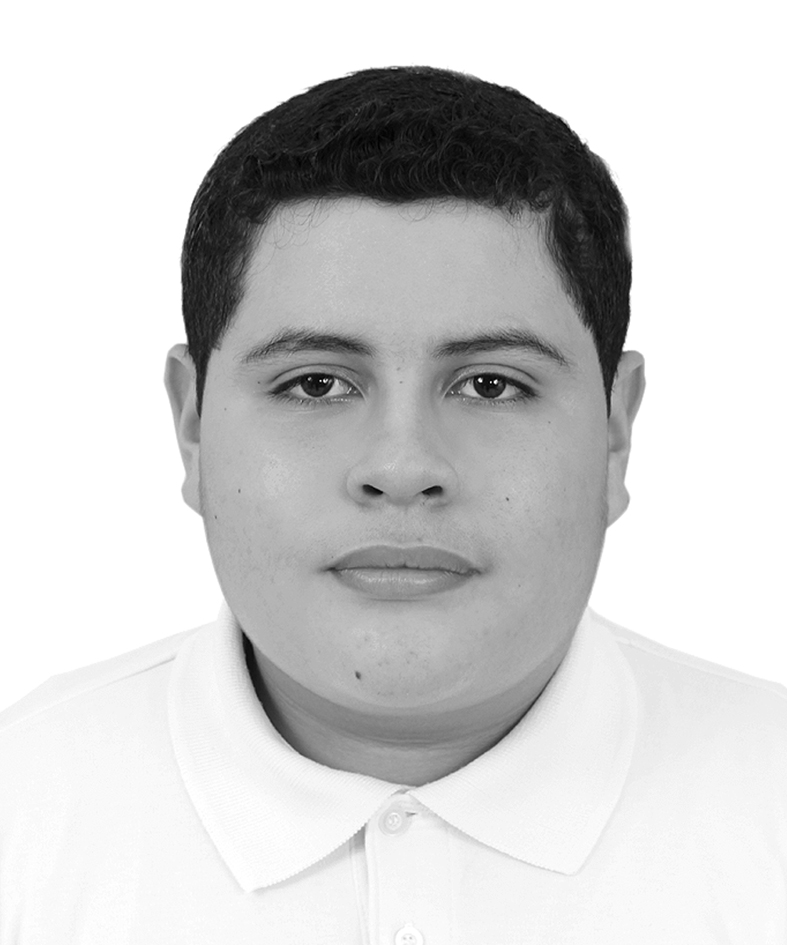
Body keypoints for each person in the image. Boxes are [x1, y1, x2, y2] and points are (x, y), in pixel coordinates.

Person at [1, 65, 785, 944]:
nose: (402, 467)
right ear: (191, 424)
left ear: (613, 430)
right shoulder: (19, 817)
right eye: (315, 383)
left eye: (490, 384)